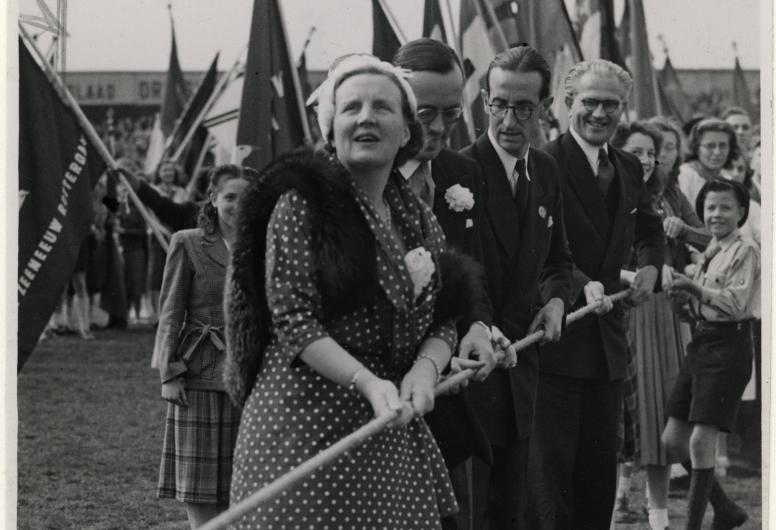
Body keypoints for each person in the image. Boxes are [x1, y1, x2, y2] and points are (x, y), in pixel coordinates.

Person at [224, 54, 482, 529]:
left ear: (406, 132)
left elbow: (445, 315)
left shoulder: (417, 216)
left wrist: (426, 369)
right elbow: (294, 321)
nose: (366, 117)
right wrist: (368, 382)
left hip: (389, 431)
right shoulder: (301, 203)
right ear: (331, 129)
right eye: (351, 108)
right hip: (303, 427)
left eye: (382, 107)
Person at [529, 59, 665, 529]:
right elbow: (536, 246)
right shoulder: (541, 163)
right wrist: (577, 281)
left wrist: (650, 267)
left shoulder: (627, 166)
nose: (600, 113)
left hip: (608, 346)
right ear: (569, 103)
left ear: (624, 108)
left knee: (598, 475)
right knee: (551, 476)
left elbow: (650, 229)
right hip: (557, 341)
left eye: (612, 104)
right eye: (590, 102)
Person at [458, 45, 573, 529]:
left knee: (511, 513)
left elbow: (558, 260)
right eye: (499, 104)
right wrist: (481, 326)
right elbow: (455, 278)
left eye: (524, 108)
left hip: (522, 372)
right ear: (485, 100)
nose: (509, 120)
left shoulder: (545, 169)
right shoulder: (457, 172)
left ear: (544, 108)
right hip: (471, 376)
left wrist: (556, 301)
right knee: (470, 513)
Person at [392, 38, 499, 529]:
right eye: (425, 113)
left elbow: (472, 273)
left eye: (452, 113)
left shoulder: (463, 172)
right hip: (380, 390)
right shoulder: (361, 173)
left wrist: (478, 326)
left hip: (447, 390)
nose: (438, 128)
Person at [612, 120, 710, 529]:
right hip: (625, 308)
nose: (648, 160)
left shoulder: (665, 194)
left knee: (662, 413)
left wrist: (682, 237)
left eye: (652, 153)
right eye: (637, 152)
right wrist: (635, 274)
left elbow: (708, 237)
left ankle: (658, 517)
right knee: (623, 416)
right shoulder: (607, 192)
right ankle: (616, 504)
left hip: (664, 313)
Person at [155, 164, 258, 528]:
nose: (238, 205)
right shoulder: (188, 242)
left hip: (248, 378)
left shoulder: (264, 246)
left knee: (243, 480)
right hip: (197, 374)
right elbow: (171, 312)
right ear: (213, 198)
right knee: (198, 485)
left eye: (247, 197)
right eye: (230, 197)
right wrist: (169, 373)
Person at [661, 178, 758, 530]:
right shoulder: (710, 250)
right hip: (701, 344)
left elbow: (734, 304)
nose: (717, 214)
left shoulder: (745, 250)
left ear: (741, 211)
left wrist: (692, 287)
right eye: (710, 207)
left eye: (725, 207)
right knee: (673, 442)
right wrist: (683, 300)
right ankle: (726, 510)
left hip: (729, 347)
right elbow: (701, 305)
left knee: (701, 441)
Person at [148, 160, 187, 323]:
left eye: (171, 170)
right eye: (165, 170)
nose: (168, 173)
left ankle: (173, 313)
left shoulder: (181, 192)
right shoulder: (153, 190)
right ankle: (156, 315)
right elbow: (150, 216)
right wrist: (164, 233)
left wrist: (175, 234)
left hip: (177, 236)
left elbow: (183, 213)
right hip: (157, 235)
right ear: (159, 173)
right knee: (157, 275)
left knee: (176, 274)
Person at [677, 118, 740, 208]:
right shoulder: (684, 176)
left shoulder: (728, 178)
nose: (717, 152)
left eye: (723, 146)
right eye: (710, 146)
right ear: (696, 148)